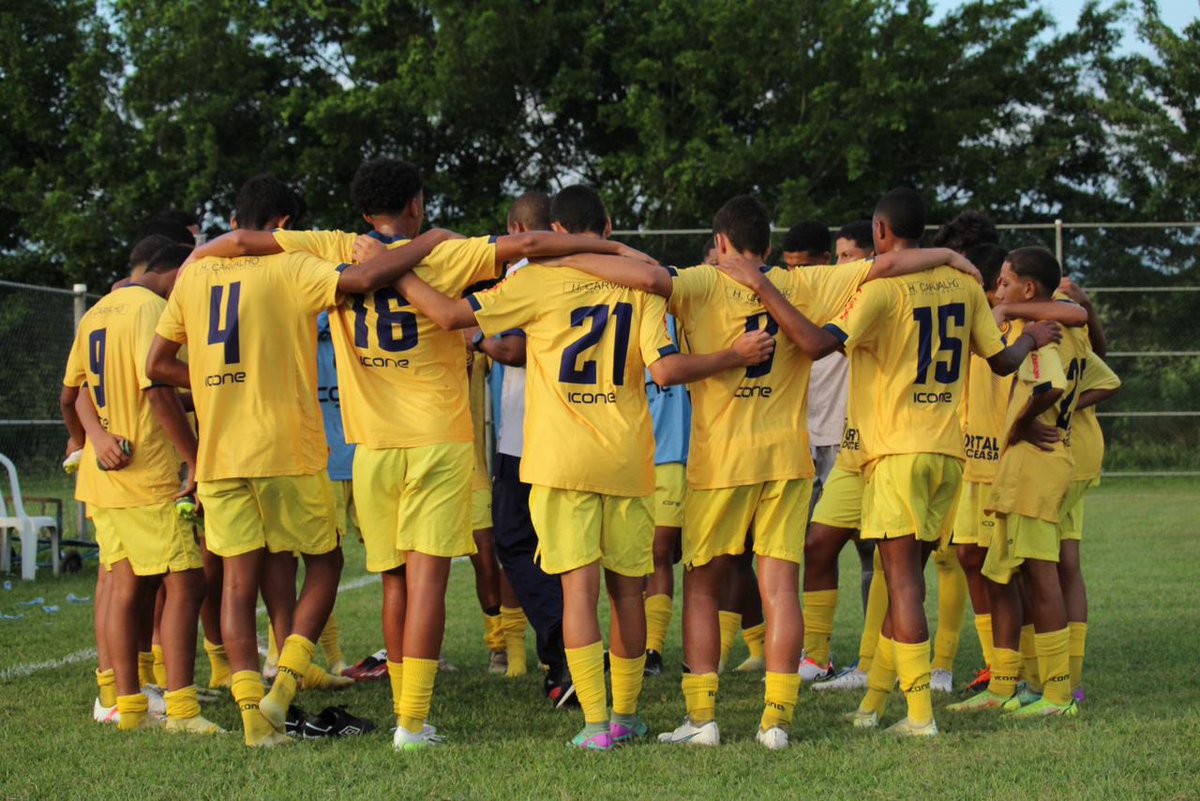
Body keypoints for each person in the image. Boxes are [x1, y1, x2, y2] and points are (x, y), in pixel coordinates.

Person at [544, 194, 987, 749]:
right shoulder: (802, 283)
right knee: (780, 586)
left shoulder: (701, 283)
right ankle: (775, 722)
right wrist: (948, 253)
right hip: (787, 460)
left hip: (721, 462)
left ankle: (702, 720)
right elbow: (890, 262)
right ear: (771, 246)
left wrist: (565, 256)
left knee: (703, 586)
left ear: (721, 242)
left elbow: (643, 274)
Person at [395, 184, 775, 752]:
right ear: (611, 222)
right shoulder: (638, 283)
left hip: (559, 460)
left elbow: (451, 314)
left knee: (577, 594)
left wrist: (392, 271)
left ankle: (595, 725)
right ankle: (624, 715)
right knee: (628, 592)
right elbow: (665, 368)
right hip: (624, 456)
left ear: (556, 231)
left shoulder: (536, 278)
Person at [715, 188, 1061, 736]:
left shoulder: (881, 288)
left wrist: (760, 284)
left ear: (879, 232)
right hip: (945, 454)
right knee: (894, 578)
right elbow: (1000, 361)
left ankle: (920, 714)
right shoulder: (966, 285)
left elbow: (811, 343)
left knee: (901, 583)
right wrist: (1033, 339)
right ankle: (875, 700)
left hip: (896, 450)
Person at [146, 173, 452, 747]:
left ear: (238, 219)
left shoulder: (195, 274)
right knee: (328, 562)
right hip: (286, 443)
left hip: (220, 450)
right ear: (286, 226)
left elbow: (157, 364)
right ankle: (282, 689)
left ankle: (248, 715)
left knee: (236, 582)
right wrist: (430, 241)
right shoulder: (291, 263)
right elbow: (362, 278)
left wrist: (214, 387)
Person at [61, 243, 219, 734]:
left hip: (106, 477)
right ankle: (181, 709)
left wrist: (88, 439)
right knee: (186, 583)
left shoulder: (96, 313)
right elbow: (155, 389)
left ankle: (126, 703)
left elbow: (76, 391)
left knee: (124, 583)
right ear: (174, 271)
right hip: (148, 473)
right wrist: (195, 459)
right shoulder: (153, 309)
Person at [955, 247, 1100, 718]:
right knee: (1003, 573)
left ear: (1027, 288)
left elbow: (1051, 385)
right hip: (1026, 468)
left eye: (1004, 283)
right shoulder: (1059, 325)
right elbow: (1101, 370)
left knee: (1041, 575)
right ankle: (1007, 684)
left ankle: (1058, 694)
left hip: (1035, 465)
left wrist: (1018, 424)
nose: (999, 292)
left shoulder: (1039, 336)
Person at [801, 220, 880, 685]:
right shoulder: (824, 293)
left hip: (857, 442)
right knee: (815, 546)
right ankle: (817, 654)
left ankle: (874, 659)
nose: (839, 264)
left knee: (874, 554)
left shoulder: (874, 296)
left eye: (848, 255)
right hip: (810, 441)